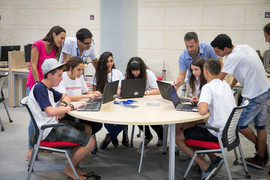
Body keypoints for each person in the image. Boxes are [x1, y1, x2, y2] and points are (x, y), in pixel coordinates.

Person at [28, 58, 97, 180]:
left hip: (53, 124)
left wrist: (63, 105)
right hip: (48, 130)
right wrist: (70, 107)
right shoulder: (40, 88)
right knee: (90, 141)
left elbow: (66, 98)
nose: (61, 79)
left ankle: (73, 164)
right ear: (50, 75)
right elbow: (50, 112)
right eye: (59, 76)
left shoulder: (48, 88)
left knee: (88, 128)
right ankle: (69, 168)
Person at [211, 34, 270, 169]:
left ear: (226, 49)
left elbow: (218, 79)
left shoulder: (232, 58)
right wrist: (230, 88)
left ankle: (262, 151)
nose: (216, 54)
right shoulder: (245, 47)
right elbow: (239, 72)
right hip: (265, 90)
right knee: (260, 126)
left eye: (217, 51)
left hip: (255, 95)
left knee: (240, 125)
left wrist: (207, 92)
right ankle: (260, 157)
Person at [176, 58, 236, 180]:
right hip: (229, 133)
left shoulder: (208, 87)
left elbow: (202, 111)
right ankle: (214, 159)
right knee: (192, 129)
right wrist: (202, 102)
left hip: (216, 133)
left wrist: (201, 103)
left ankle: (204, 165)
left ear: (206, 71)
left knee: (178, 138)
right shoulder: (225, 85)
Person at [25, 26, 66, 161]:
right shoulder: (38, 45)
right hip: (35, 84)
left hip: (45, 85)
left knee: (44, 116)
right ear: (54, 35)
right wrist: (39, 85)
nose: (63, 41)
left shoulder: (55, 49)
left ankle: (41, 144)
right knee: (34, 119)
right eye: (61, 37)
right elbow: (33, 65)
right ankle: (31, 148)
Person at [120, 57, 163, 149]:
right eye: (133, 71)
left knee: (152, 119)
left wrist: (146, 92)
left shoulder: (149, 74)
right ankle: (148, 136)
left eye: (137, 70)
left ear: (141, 69)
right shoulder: (127, 74)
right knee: (136, 118)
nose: (135, 73)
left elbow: (158, 90)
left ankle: (161, 137)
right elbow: (119, 87)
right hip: (136, 102)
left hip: (149, 101)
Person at [54, 56, 102, 135]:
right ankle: (82, 140)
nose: (81, 72)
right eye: (78, 69)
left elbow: (86, 92)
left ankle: (83, 139)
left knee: (98, 125)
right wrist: (85, 96)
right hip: (66, 111)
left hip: (79, 108)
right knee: (89, 125)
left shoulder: (80, 77)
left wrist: (94, 93)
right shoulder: (62, 77)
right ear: (71, 68)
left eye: (82, 70)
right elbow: (64, 97)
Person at [92, 51, 124, 149]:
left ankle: (109, 138)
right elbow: (94, 91)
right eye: (107, 62)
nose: (110, 64)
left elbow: (121, 90)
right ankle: (112, 136)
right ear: (102, 63)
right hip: (104, 103)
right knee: (107, 123)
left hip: (118, 102)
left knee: (123, 122)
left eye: (111, 61)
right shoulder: (98, 75)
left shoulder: (117, 73)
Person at [175, 57, 207, 138]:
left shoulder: (207, 83)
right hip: (197, 108)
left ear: (203, 69)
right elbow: (195, 97)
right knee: (177, 124)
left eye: (196, 69)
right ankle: (180, 143)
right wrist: (193, 99)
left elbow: (207, 102)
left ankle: (183, 142)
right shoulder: (194, 80)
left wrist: (198, 101)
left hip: (205, 113)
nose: (193, 72)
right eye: (192, 70)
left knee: (186, 125)